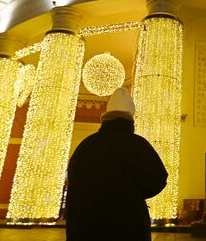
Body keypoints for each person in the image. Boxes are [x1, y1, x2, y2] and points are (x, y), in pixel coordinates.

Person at [65, 88, 168, 241]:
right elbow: (158, 179)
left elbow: (72, 180)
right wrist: (132, 194)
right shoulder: (138, 145)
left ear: (105, 118)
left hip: (85, 227)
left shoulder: (86, 146)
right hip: (128, 226)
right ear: (131, 120)